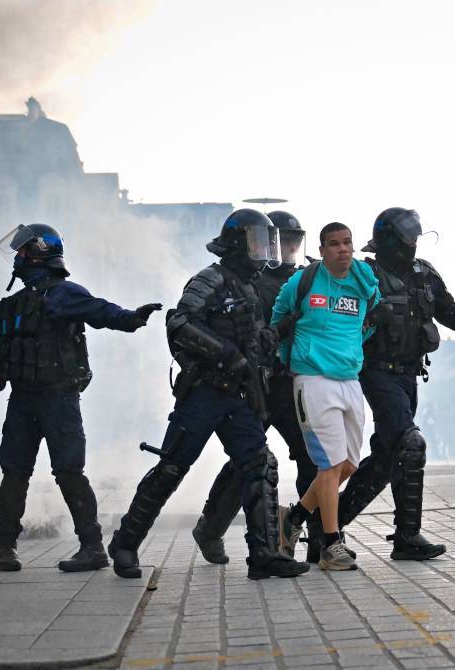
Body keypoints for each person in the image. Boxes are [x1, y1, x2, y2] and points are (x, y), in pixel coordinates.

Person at [107, 209, 309, 581]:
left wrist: (282, 329)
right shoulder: (210, 279)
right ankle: (125, 544)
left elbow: (256, 340)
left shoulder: (250, 288)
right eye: (256, 242)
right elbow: (179, 322)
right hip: (204, 393)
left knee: (260, 464)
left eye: (266, 243)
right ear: (236, 243)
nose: (263, 251)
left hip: (239, 396)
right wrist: (226, 354)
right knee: (171, 467)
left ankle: (264, 555)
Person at [0, 223, 161, 573]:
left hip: (58, 400)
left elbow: (100, 311)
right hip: (22, 401)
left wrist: (132, 318)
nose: (17, 258)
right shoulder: (13, 305)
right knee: (14, 474)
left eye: (22, 251)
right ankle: (6, 547)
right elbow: (3, 359)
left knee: (69, 472)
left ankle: (92, 547)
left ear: (39, 253)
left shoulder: (62, 294)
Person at [331, 208, 455, 561]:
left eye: (415, 236)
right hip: (376, 372)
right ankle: (408, 535)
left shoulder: (423, 274)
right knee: (411, 444)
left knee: (388, 458)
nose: (413, 243)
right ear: (389, 240)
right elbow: (338, 318)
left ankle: (326, 525)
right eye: (407, 237)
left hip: (409, 374)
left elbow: (452, 312)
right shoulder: (366, 275)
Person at [190, 211, 324, 564]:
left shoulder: (307, 279)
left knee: (313, 459)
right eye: (285, 240)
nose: (291, 247)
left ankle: (317, 537)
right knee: (248, 462)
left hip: (296, 383)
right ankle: (211, 528)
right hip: (260, 384)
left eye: (296, 240)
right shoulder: (251, 282)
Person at [278, 222, 381, 571]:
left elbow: (370, 323)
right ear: (322, 250)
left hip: (349, 378)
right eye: (334, 244)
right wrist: (292, 359)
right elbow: (278, 320)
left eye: (347, 242)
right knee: (330, 465)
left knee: (348, 464)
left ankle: (293, 518)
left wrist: (351, 351)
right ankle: (330, 545)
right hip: (313, 379)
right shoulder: (303, 282)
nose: (343, 249)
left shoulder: (364, 282)